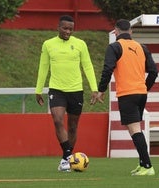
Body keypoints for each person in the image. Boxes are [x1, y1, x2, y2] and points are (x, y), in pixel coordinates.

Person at [92, 19, 158, 175]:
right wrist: (144, 88)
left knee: (135, 129)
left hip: (127, 94)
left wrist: (101, 90)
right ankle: (142, 164)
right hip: (141, 94)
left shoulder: (114, 47)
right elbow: (154, 72)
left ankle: (148, 167)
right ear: (131, 32)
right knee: (134, 129)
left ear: (115, 31)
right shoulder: (142, 47)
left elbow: (107, 69)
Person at [35, 15, 98, 172]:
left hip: (76, 90)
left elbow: (88, 66)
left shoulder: (80, 44)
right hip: (57, 89)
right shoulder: (48, 44)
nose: (68, 31)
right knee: (57, 120)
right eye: (65, 28)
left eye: (71, 29)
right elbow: (43, 67)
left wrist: (94, 89)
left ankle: (65, 160)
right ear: (58, 27)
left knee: (73, 126)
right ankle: (69, 155)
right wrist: (38, 89)